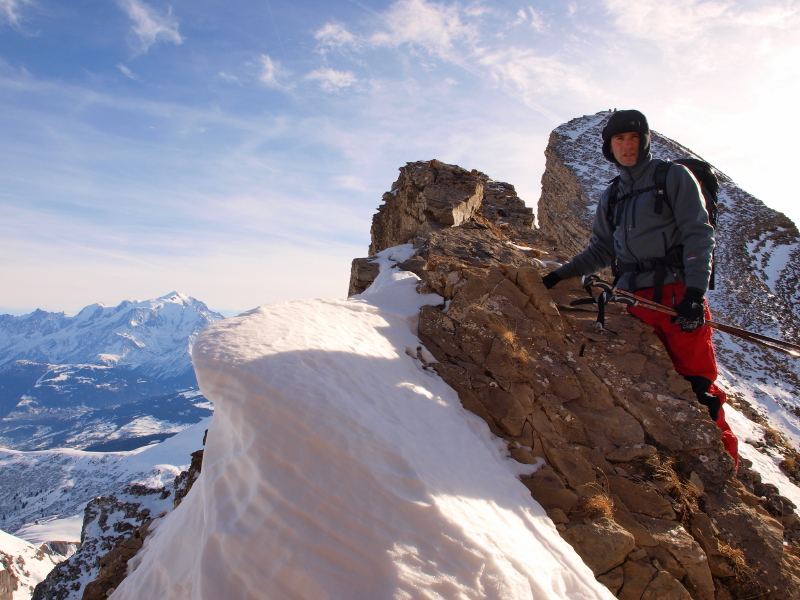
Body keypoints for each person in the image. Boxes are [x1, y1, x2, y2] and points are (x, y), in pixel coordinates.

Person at [541, 109, 739, 467]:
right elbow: (602, 249)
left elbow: (698, 234)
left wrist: (695, 296)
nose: (628, 145)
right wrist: (558, 276)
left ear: (646, 141)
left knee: (697, 386)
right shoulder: (613, 195)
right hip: (633, 302)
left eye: (635, 138)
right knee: (654, 387)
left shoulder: (673, 177)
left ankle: (725, 467)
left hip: (678, 299)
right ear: (609, 147)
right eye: (620, 139)